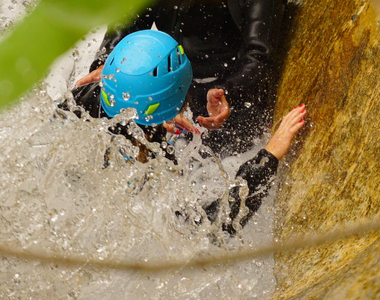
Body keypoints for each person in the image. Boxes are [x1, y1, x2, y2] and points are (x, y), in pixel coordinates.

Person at [66, 30, 305, 234]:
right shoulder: (136, 181)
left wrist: (155, 120)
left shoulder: (83, 102)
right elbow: (208, 227)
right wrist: (268, 157)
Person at [75, 0, 290, 157]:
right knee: (91, 105)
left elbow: (259, 58)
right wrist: (107, 61)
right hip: (168, 87)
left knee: (206, 169)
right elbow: (127, 20)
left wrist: (227, 93)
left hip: (221, 97)